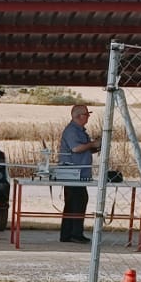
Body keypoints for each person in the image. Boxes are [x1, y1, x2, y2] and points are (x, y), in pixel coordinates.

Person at [55, 103, 95, 243]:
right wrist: (92, 144)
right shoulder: (72, 131)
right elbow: (76, 148)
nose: (88, 116)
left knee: (74, 202)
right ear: (78, 116)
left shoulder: (80, 131)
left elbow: (84, 148)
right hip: (72, 173)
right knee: (78, 201)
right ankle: (75, 234)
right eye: (86, 114)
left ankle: (67, 234)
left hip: (79, 173)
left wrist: (94, 146)